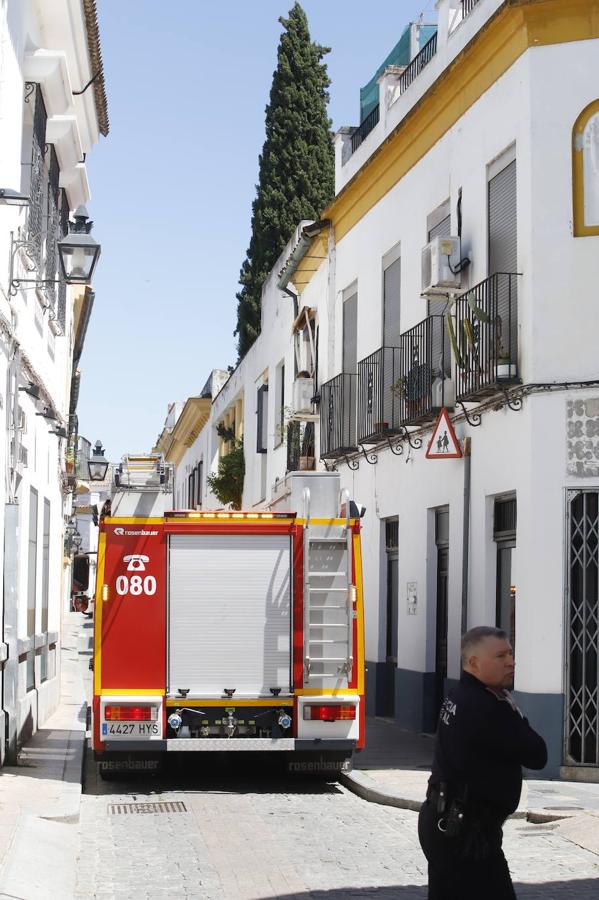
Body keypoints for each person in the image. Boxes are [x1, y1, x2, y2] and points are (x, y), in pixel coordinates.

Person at [418, 626, 547, 900]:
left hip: (444, 820)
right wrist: (514, 710)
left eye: (510, 654)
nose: (511, 661)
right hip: (466, 834)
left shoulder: (459, 694)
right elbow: (538, 754)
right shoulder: (487, 707)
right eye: (500, 656)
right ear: (474, 662)